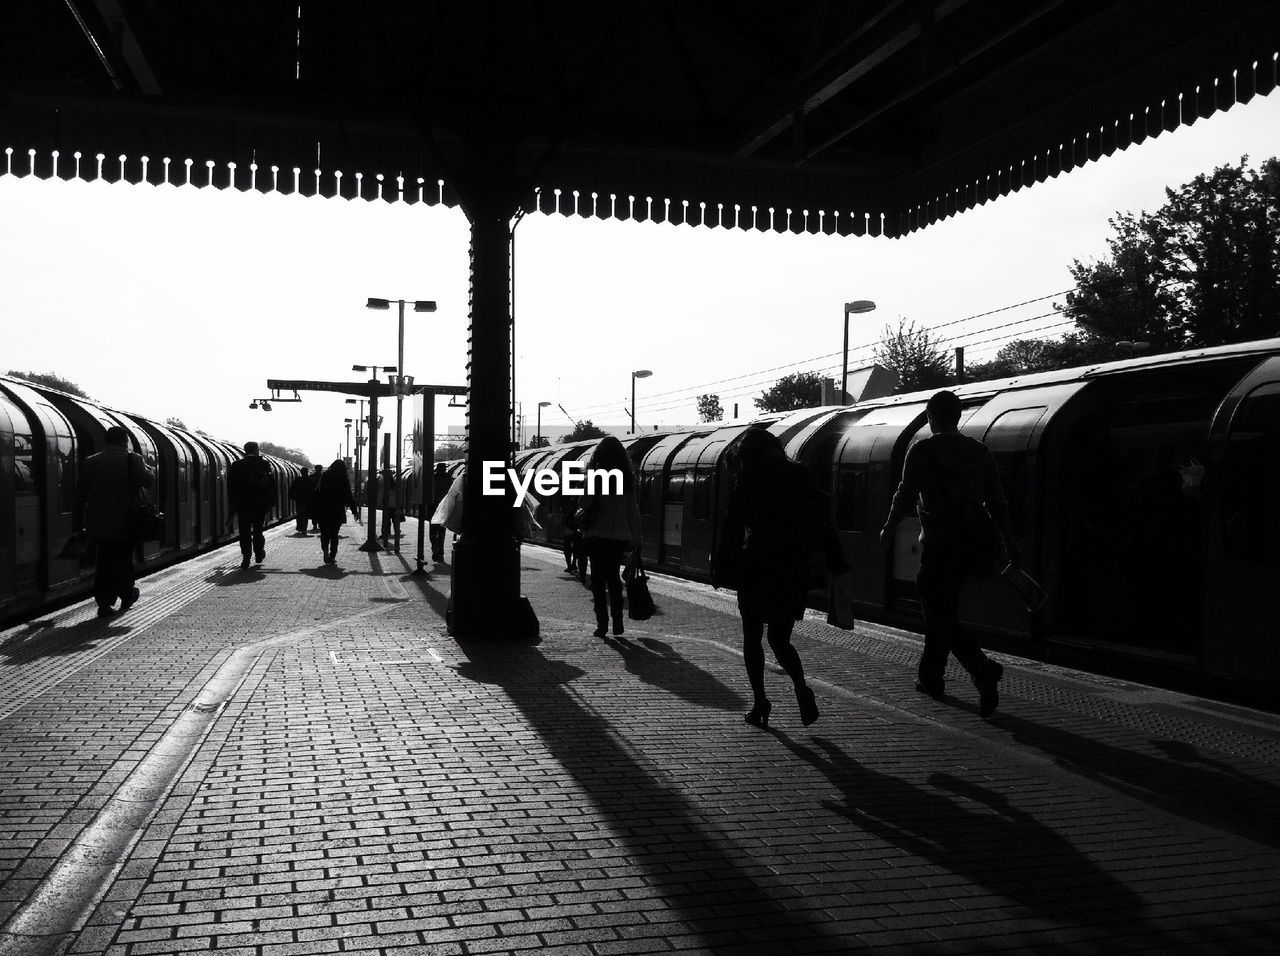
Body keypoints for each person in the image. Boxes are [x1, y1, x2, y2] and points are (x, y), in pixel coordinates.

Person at [879, 389, 1021, 719]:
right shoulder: (979, 451)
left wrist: (889, 526)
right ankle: (931, 678)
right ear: (957, 417)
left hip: (938, 545)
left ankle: (981, 668)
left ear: (931, 418)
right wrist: (1011, 543)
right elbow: (997, 502)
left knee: (938, 614)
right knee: (942, 611)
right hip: (970, 547)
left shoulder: (922, 450)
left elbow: (905, 494)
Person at [712, 428, 840, 729]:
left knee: (752, 638)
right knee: (780, 639)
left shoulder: (746, 479)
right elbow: (818, 518)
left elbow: (733, 525)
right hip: (793, 566)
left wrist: (721, 566)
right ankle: (799, 685)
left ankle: (760, 703)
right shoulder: (800, 476)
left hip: (758, 564)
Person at [81, 425, 153, 618]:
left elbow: (81, 491)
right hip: (127, 521)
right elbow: (148, 481)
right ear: (124, 440)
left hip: (99, 522)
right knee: (124, 560)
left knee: (104, 561)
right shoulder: (134, 459)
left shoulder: (91, 462)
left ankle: (104, 601)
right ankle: (126, 594)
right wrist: (148, 468)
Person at [578, 436, 642, 637]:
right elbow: (633, 509)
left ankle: (602, 624)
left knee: (598, 579)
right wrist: (637, 537)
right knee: (614, 578)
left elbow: (585, 503)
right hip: (619, 535)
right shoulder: (627, 478)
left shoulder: (595, 476)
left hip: (596, 535)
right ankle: (618, 623)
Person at [227, 441, 274, 570]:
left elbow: (231, 486)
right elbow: (271, 484)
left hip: (243, 505)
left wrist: (233, 504)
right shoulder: (264, 464)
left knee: (244, 532)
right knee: (258, 530)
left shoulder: (237, 465)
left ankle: (246, 558)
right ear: (256, 450)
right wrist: (270, 502)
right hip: (260, 504)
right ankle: (259, 553)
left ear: (245, 451)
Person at [311, 459, 360, 564]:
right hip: (337, 509)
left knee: (324, 532)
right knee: (334, 534)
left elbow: (317, 492)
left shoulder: (325, 476)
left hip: (323, 509)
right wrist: (354, 511)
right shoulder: (343, 478)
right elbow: (348, 496)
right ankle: (332, 555)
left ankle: (325, 551)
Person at [428, 462, 449, 562]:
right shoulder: (449, 479)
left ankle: (435, 547)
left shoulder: (431, 479)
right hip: (444, 510)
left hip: (433, 509)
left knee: (432, 532)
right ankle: (440, 552)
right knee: (442, 532)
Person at [289, 466, 315, 534]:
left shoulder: (298, 480)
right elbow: (313, 491)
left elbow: (292, 489)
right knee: (305, 515)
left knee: (300, 514)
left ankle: (299, 527)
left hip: (299, 500)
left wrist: (294, 496)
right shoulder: (310, 480)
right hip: (307, 500)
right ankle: (303, 528)